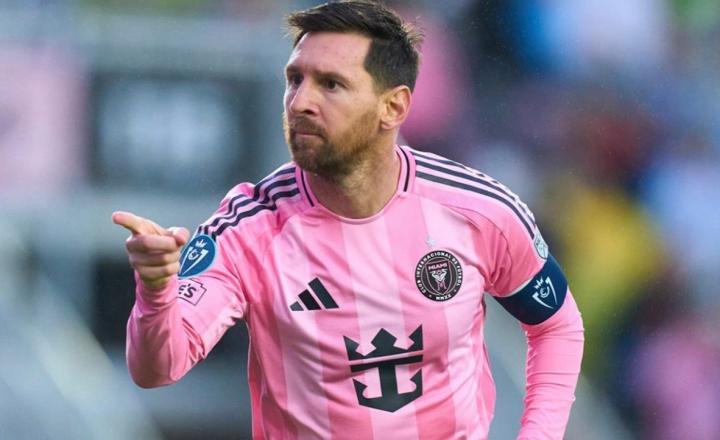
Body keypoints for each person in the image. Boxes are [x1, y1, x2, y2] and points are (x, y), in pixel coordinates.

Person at [112, 1, 584, 438]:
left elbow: (556, 325)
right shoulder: (249, 228)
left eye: (331, 84)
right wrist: (157, 290)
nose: (300, 102)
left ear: (393, 107)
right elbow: (157, 370)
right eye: (295, 79)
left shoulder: (478, 210)